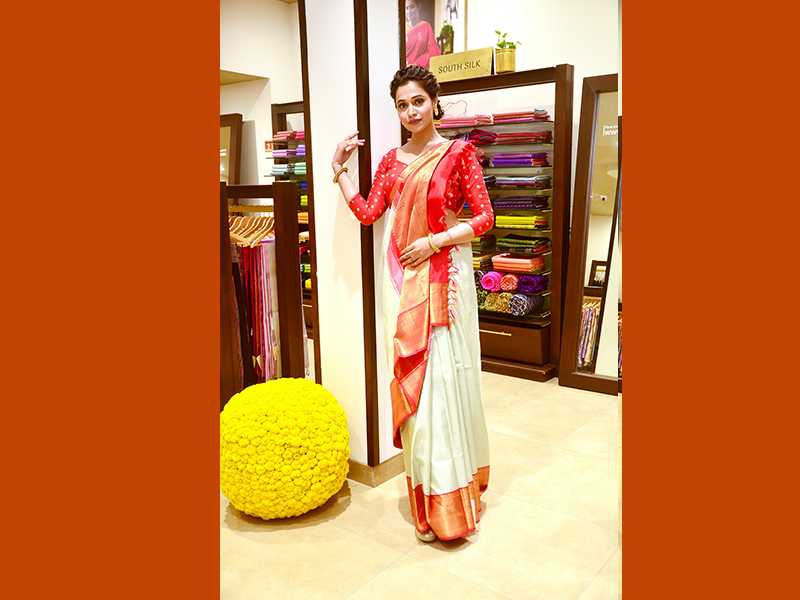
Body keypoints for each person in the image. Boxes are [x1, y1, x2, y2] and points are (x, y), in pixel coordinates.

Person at [331, 65, 493, 543]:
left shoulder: (458, 153)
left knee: (444, 383)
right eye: (402, 105)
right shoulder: (390, 161)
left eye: (418, 101)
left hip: (444, 281)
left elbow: (485, 218)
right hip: (401, 283)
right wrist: (339, 170)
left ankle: (453, 503)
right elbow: (368, 214)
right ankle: (428, 499)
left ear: (435, 102)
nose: (410, 112)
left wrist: (435, 241)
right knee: (418, 392)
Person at [405, 0, 441, 70]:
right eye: (406, 8)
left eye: (412, 7)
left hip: (420, 70)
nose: (409, 11)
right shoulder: (403, 29)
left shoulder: (426, 27)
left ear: (419, 6)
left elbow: (432, 52)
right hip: (404, 71)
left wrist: (417, 64)